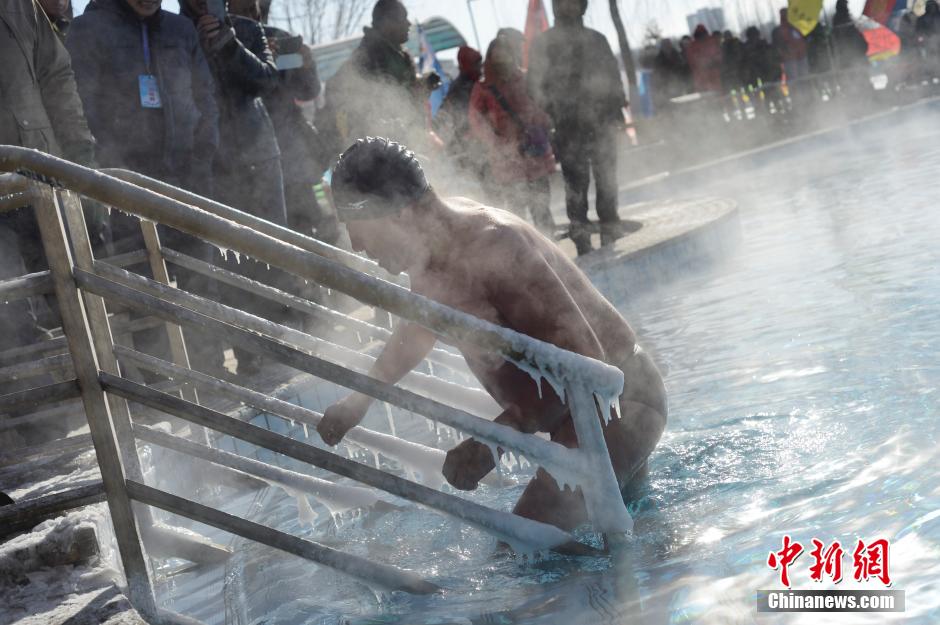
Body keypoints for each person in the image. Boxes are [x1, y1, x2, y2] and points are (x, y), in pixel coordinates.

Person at [317, 138, 667, 532]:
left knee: (527, 554)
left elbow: (587, 365)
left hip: (620, 408)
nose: (357, 246)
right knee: (634, 535)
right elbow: (418, 329)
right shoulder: (434, 252)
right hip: (595, 415)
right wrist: (360, 400)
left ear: (399, 215)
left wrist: (492, 443)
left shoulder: (495, 247)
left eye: (360, 230)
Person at [68, 0, 224, 375]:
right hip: (122, 189)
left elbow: (206, 101)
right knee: (141, 287)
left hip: (184, 181)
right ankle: (161, 383)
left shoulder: (180, 30)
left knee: (199, 278)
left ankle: (212, 372)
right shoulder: (89, 31)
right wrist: (102, 176)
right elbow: (77, 107)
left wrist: (200, 165)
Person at [1, 0, 97, 393]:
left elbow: (56, 76)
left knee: (73, 292)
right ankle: (30, 419)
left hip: (41, 176)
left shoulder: (21, 6)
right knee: (11, 311)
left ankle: (107, 397)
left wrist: (79, 159)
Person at [229, 0, 339, 243]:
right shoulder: (225, 43)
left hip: (296, 156)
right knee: (281, 237)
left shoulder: (278, 37)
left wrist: (308, 65)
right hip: (252, 157)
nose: (251, 16)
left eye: (253, 9)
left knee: (323, 222)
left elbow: (307, 92)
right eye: (243, 11)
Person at [527, 0, 628, 256]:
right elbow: (534, 86)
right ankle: (581, 238)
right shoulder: (543, 44)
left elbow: (614, 78)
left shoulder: (597, 40)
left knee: (607, 180)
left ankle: (611, 228)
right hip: (568, 127)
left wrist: (616, 110)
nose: (569, 6)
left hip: (601, 122)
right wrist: (557, 111)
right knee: (576, 185)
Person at [319, 0, 438, 162]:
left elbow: (404, 93)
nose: (408, 23)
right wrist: (372, 124)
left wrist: (422, 84)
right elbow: (336, 88)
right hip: (382, 154)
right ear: (387, 22)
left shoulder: (399, 54)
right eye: (403, 18)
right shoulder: (369, 53)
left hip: (405, 144)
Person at [469, 37, 556, 237]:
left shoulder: (525, 78)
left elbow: (540, 105)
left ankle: (551, 251)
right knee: (516, 213)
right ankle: (525, 255)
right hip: (507, 158)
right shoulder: (483, 88)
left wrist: (541, 121)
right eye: (497, 52)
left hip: (534, 153)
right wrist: (496, 143)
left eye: (506, 50)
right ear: (490, 56)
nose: (502, 56)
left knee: (542, 207)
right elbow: (476, 121)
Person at [435, 46, 484, 178]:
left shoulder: (476, 84)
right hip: (467, 146)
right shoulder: (461, 87)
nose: (480, 67)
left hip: (476, 144)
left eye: (480, 63)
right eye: (476, 63)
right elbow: (452, 115)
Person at [686, 25, 722, 93]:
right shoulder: (693, 46)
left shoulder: (711, 42)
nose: (702, 36)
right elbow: (692, 61)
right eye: (700, 34)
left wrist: (713, 61)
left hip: (711, 74)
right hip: (702, 76)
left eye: (703, 34)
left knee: (715, 93)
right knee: (707, 94)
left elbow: (718, 55)